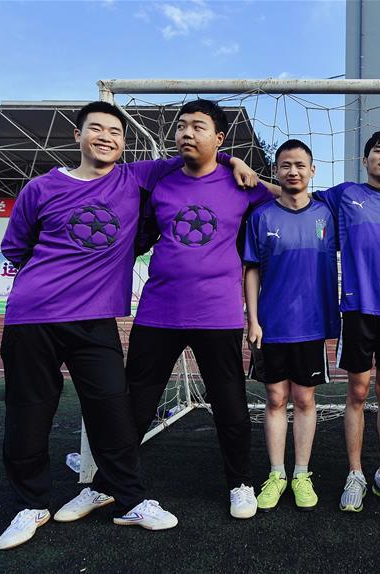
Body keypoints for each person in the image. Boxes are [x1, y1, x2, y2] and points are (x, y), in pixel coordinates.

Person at [0, 101, 179, 551]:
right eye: (96, 129)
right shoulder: (41, 188)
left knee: (112, 410)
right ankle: (31, 504)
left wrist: (237, 163)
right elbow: (16, 249)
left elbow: (193, 157)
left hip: (94, 321)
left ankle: (129, 499)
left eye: (115, 131)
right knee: (28, 411)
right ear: (77, 135)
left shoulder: (133, 179)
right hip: (32, 317)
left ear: (124, 142)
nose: (106, 137)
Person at [231, 130, 380, 511]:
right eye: (378, 151)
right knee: (348, 393)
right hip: (353, 310)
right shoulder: (341, 197)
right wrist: (239, 164)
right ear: (364, 160)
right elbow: (289, 192)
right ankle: (348, 474)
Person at [124, 99, 271, 520]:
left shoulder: (241, 184)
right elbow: (108, 171)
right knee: (135, 404)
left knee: (230, 405)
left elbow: (286, 197)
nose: (187, 133)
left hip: (218, 314)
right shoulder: (160, 180)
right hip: (157, 312)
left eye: (198, 127)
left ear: (219, 137)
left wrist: (238, 162)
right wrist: (230, 155)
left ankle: (240, 483)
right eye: (181, 126)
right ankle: (110, 482)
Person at [244, 139, 340, 512]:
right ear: (277, 171)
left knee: (303, 398)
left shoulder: (328, 215)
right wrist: (252, 319)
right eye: (285, 165)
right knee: (274, 399)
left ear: (312, 170)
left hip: (311, 326)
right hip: (271, 326)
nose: (293, 171)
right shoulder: (261, 217)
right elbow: (251, 270)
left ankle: (301, 473)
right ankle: (276, 473)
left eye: (300, 165)